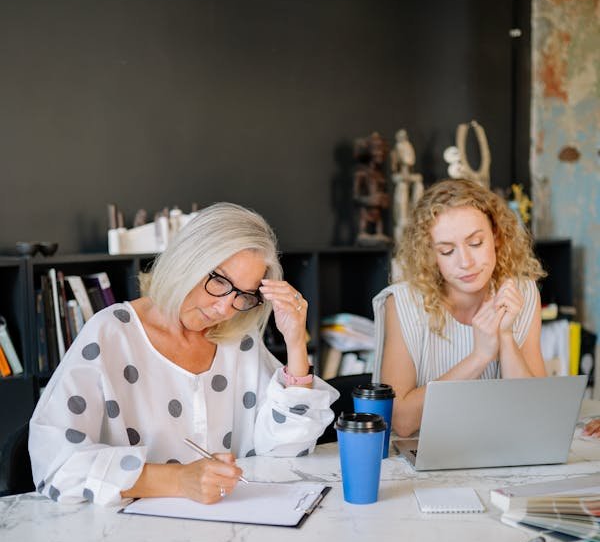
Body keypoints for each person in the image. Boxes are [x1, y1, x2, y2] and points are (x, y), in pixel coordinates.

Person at [29, 202, 338, 506]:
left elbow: (286, 450)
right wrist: (178, 481)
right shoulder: (111, 335)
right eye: (218, 281)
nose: (224, 308)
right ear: (187, 259)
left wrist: (296, 341)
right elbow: (55, 463)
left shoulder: (238, 342)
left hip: (230, 529)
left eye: (243, 295)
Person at [372, 179, 547, 437]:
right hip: (424, 458)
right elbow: (401, 421)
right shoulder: (403, 303)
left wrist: (506, 339)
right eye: (446, 251)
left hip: (503, 451)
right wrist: (480, 356)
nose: (465, 262)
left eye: (475, 243)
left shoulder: (521, 292)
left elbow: (537, 412)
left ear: (496, 236)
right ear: (430, 254)